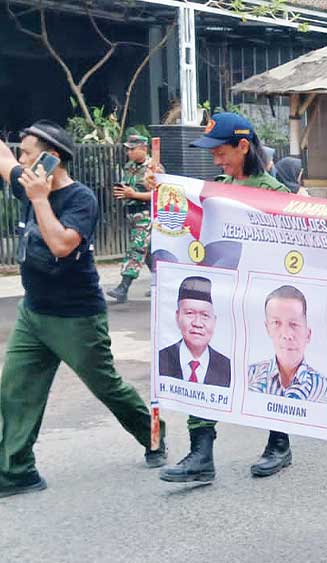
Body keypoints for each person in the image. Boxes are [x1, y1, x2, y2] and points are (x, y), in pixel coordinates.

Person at [0, 121, 166, 498]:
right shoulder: (27, 181)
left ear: (51, 158)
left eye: (29, 153)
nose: (22, 160)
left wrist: (40, 199)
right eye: (23, 153)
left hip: (76, 317)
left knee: (107, 386)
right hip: (34, 312)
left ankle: (153, 435)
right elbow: (3, 158)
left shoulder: (80, 200)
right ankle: (16, 472)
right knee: (14, 390)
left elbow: (60, 245)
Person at [159, 112, 292, 485]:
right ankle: (201, 453)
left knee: (270, 368)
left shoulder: (275, 194)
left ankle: (278, 443)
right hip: (220, 299)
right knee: (199, 366)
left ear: (243, 146)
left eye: (221, 152)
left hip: (261, 300)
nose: (216, 161)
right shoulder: (212, 190)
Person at [247, 285, 327, 403]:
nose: (286, 334)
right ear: (267, 328)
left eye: (294, 324)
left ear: (308, 334)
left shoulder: (325, 389)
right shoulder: (248, 376)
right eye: (276, 323)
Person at [106, 134, 162, 303]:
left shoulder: (154, 168)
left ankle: (123, 287)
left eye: (132, 149)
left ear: (144, 149)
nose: (129, 152)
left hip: (146, 214)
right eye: (128, 149)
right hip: (131, 213)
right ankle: (160, 284)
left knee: (137, 248)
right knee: (148, 253)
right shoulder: (129, 167)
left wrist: (134, 194)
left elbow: (158, 195)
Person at [158, 276, 232, 387]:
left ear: (214, 321)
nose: (197, 323)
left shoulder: (228, 368)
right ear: (177, 317)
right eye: (189, 313)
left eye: (205, 315)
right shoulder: (161, 360)